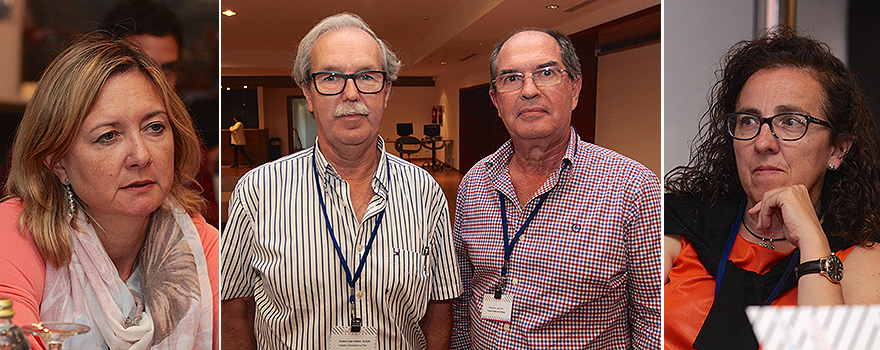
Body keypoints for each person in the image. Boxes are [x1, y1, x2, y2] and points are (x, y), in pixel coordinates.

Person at [221, 13, 461, 349]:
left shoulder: (425, 192)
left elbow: (439, 306)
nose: (351, 93)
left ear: (386, 91)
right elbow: (235, 308)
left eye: (366, 76)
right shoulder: (257, 192)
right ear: (308, 92)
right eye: (331, 77)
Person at [664, 27, 880, 350]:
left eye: (791, 121)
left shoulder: (862, 261)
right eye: (748, 121)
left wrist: (811, 242)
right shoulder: (681, 224)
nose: (763, 142)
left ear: (837, 149)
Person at [0, 33, 218, 349]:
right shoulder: (15, 230)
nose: (141, 155)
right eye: (108, 137)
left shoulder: (199, 242)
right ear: (58, 162)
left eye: (154, 127)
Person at [451, 28, 661, 349]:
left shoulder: (634, 188)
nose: (529, 90)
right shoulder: (474, 183)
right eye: (511, 79)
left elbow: (653, 322)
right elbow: (463, 297)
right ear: (496, 100)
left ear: (575, 89)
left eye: (546, 73)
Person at [103, 0, 221, 227]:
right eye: (143, 66)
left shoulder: (187, 144)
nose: (158, 81)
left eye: (167, 69)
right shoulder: (63, 129)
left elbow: (206, 223)